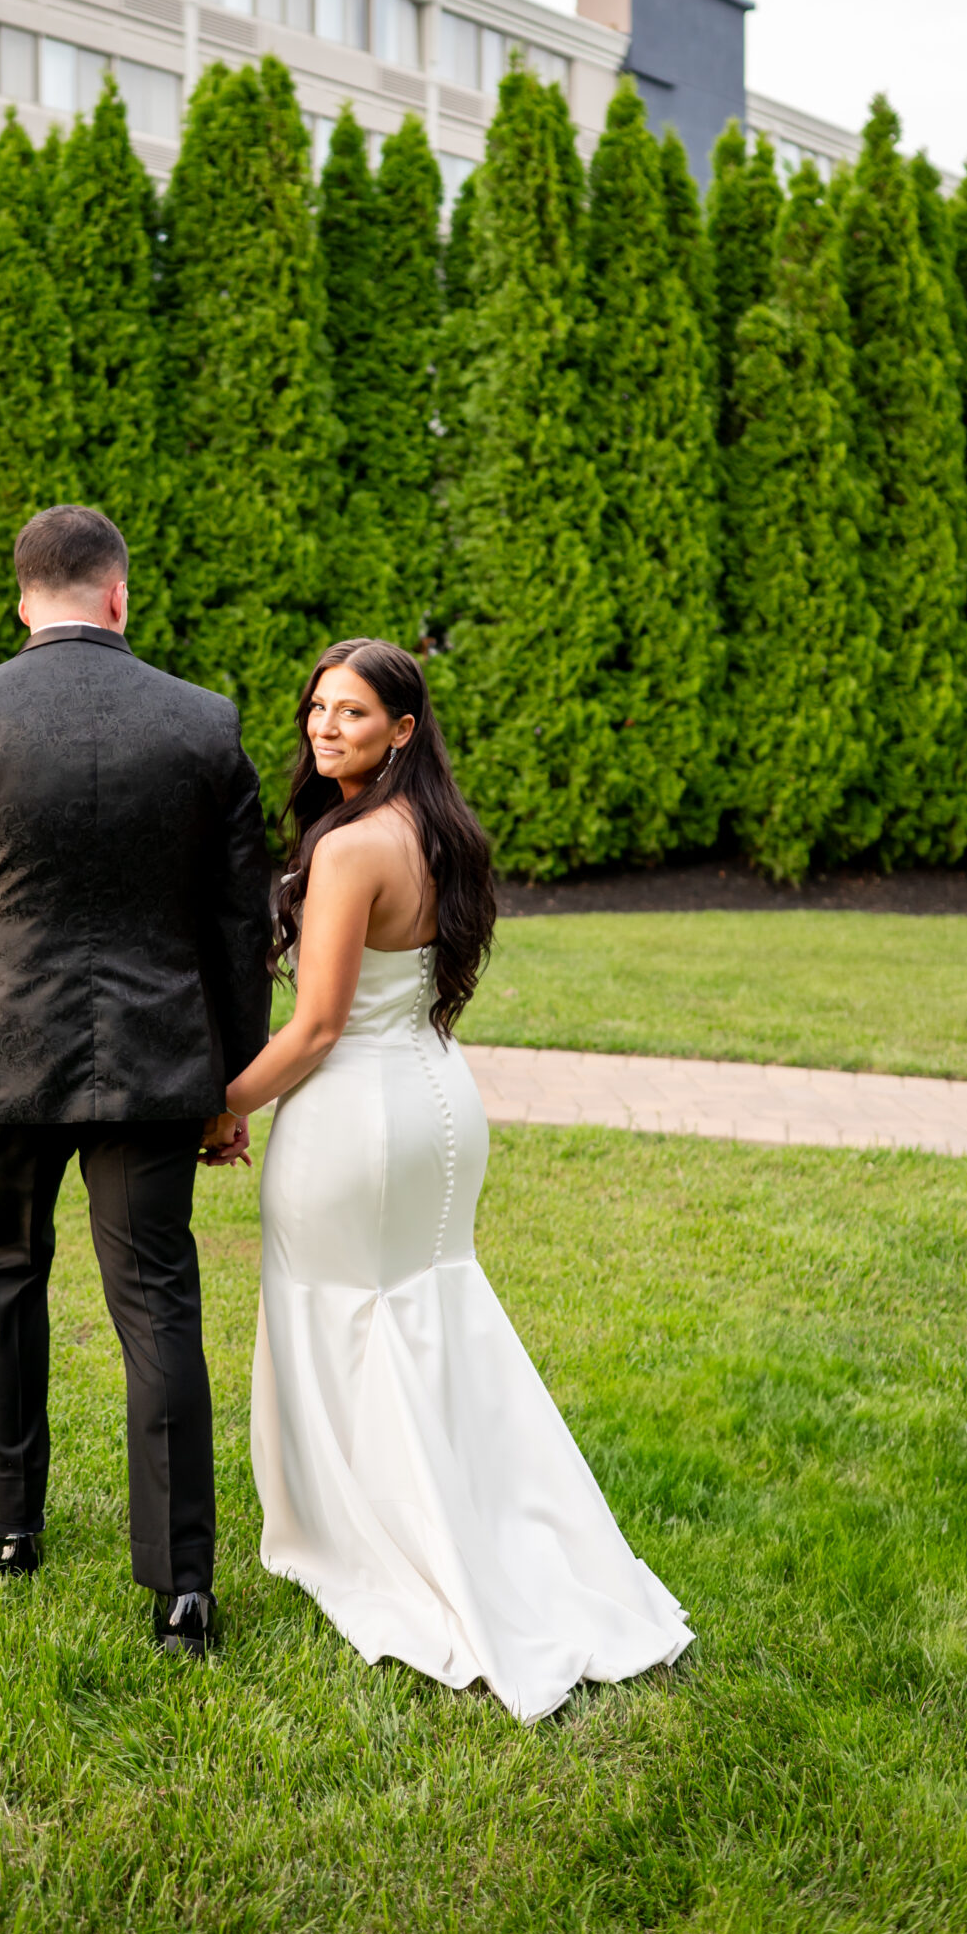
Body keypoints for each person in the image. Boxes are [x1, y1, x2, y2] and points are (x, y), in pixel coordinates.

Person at [229, 638, 691, 1720]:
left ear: (401, 729)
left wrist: (223, 1104)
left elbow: (317, 1026)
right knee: (428, 1314)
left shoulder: (350, 850)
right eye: (314, 709)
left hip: (354, 1117)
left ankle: (377, 1538)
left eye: (350, 713)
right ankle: (492, 1525)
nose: (322, 727)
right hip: (438, 1099)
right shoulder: (439, 832)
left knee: (344, 1319)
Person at [0, 506, 272, 1659]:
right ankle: (181, 1588)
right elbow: (238, 921)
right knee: (156, 1299)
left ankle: (12, 1527)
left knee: (4, 1273)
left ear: (20, 600)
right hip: (156, 1059)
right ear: (118, 595)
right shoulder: (203, 723)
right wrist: (231, 1083)